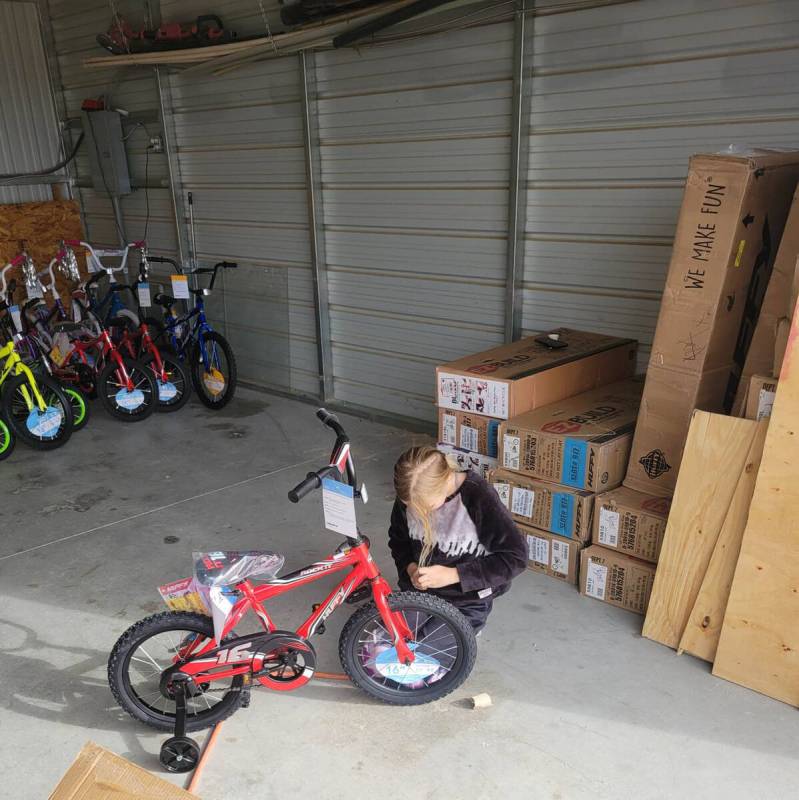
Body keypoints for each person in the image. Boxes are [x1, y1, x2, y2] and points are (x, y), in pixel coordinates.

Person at [388, 445, 527, 633]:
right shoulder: (411, 493)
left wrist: (454, 575)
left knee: (427, 654)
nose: (419, 513)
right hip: (419, 594)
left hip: (467, 600)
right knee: (384, 643)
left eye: (426, 507)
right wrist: (410, 567)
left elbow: (516, 558)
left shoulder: (478, 497)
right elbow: (398, 541)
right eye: (411, 507)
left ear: (445, 481)